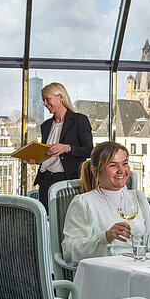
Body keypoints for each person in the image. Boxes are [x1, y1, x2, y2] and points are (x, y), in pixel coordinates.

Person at [61, 141, 150, 265]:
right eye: (113, 165)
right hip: (106, 272)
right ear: (94, 171)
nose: (122, 170)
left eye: (125, 164)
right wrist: (105, 238)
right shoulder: (84, 202)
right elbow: (69, 252)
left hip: (140, 269)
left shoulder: (137, 197)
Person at [29, 82, 93, 211]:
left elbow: (90, 151)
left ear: (60, 97)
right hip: (45, 179)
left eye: (48, 99)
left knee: (66, 220)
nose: (45, 104)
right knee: (47, 220)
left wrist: (67, 148)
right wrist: (36, 158)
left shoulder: (79, 120)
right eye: (43, 100)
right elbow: (49, 153)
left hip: (66, 180)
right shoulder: (46, 125)